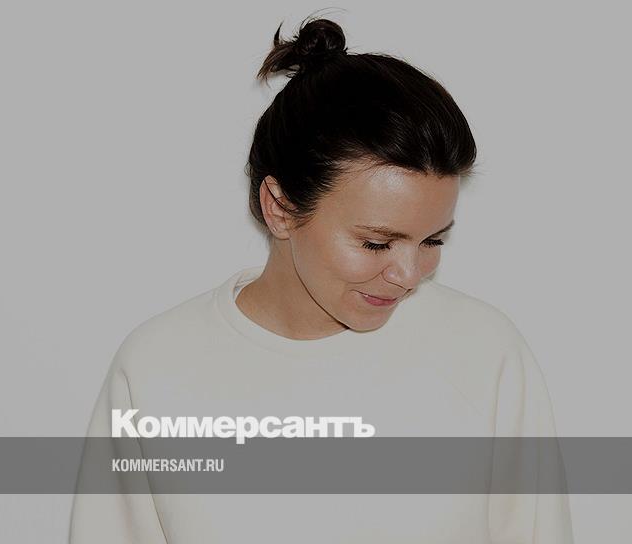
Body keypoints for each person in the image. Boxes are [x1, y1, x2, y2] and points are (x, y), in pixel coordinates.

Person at [69, 15, 574, 544]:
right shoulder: (156, 370)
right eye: (376, 243)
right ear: (279, 207)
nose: (408, 276)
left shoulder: (484, 353)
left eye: (432, 241)